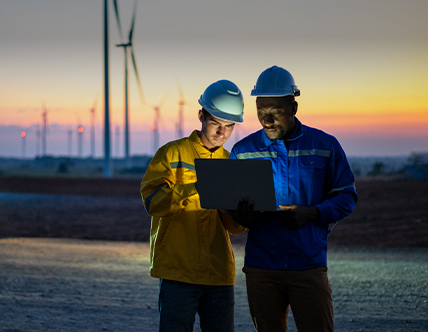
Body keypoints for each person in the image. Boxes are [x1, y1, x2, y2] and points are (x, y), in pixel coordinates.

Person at [230, 66, 358, 332]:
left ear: (294, 107)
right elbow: (234, 212)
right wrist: (242, 217)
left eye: (275, 111)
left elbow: (347, 196)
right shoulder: (243, 151)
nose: (267, 120)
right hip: (261, 268)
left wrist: (313, 212)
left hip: (307, 265)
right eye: (261, 112)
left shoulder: (325, 145)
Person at [140, 79, 247, 332]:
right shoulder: (171, 153)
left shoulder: (232, 163)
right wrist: (197, 187)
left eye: (229, 126)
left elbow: (234, 228)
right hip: (178, 271)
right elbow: (152, 202)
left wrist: (242, 216)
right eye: (215, 123)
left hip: (219, 272)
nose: (221, 133)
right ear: (201, 115)